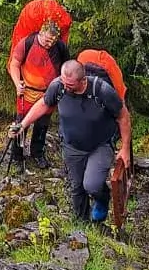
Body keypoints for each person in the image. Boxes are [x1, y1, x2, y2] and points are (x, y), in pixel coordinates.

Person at [11, 58, 132, 223]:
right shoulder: (58, 86)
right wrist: (23, 125)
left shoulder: (101, 90)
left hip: (100, 145)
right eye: (63, 82)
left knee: (92, 185)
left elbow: (123, 116)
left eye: (70, 85)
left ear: (83, 81)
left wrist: (125, 148)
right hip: (72, 146)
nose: (66, 87)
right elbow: (44, 104)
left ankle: (102, 198)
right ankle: (83, 223)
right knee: (77, 187)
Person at [7, 17, 69, 168]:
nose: (49, 44)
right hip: (27, 92)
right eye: (47, 41)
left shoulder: (60, 47)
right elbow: (14, 63)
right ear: (41, 33)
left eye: (52, 41)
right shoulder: (27, 43)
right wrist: (17, 83)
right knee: (21, 123)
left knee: (42, 125)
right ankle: (17, 156)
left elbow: (66, 67)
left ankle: (37, 153)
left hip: (48, 94)